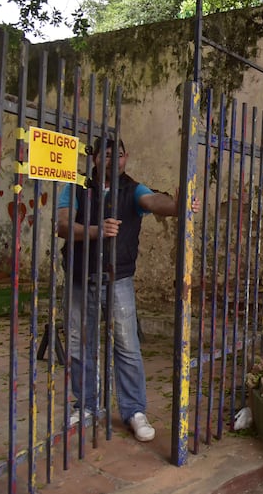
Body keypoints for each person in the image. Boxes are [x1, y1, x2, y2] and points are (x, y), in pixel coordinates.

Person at [57, 136, 198, 442]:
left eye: (118, 155)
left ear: (125, 156)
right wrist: (97, 231)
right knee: (80, 344)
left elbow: (154, 202)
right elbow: (63, 226)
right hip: (80, 277)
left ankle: (134, 410)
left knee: (128, 347)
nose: (113, 161)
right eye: (106, 155)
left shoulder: (133, 189)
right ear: (94, 158)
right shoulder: (76, 187)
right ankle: (87, 406)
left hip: (118, 279)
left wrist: (177, 206)